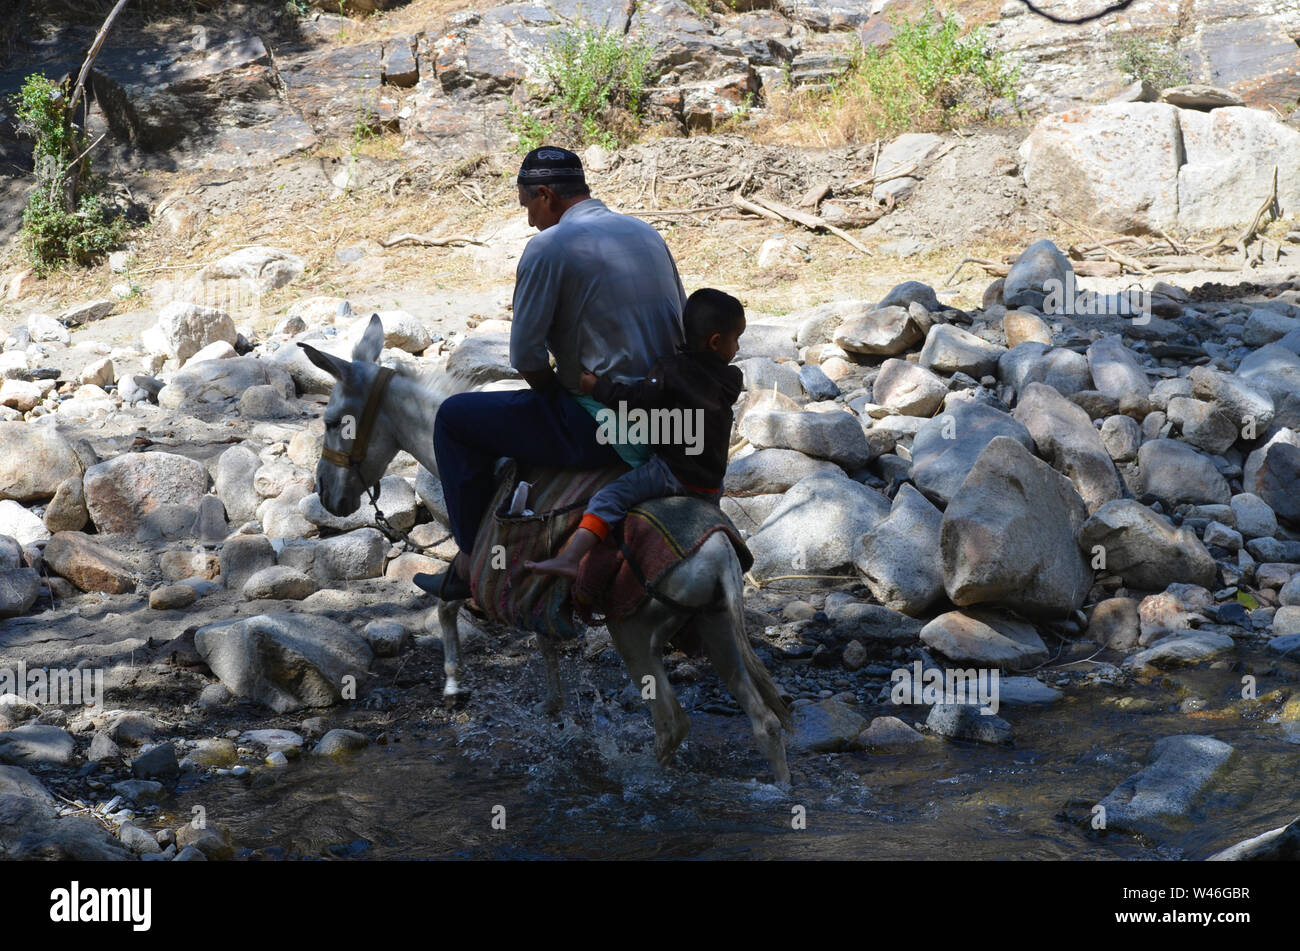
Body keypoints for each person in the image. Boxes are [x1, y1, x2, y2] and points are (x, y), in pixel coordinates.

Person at [417, 146, 686, 602]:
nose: (529, 221)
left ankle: (470, 562)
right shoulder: (645, 232)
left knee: (455, 419)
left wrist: (550, 396)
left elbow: (526, 357)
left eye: (528, 207)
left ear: (545, 194)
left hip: (605, 423)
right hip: (671, 415)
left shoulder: (549, 246)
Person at [525, 288, 745, 579]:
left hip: (671, 473)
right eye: (737, 339)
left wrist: (597, 388)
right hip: (711, 483)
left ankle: (571, 558)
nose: (738, 348)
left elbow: (636, 400)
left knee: (610, 497)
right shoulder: (731, 379)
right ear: (716, 342)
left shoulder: (670, 370)